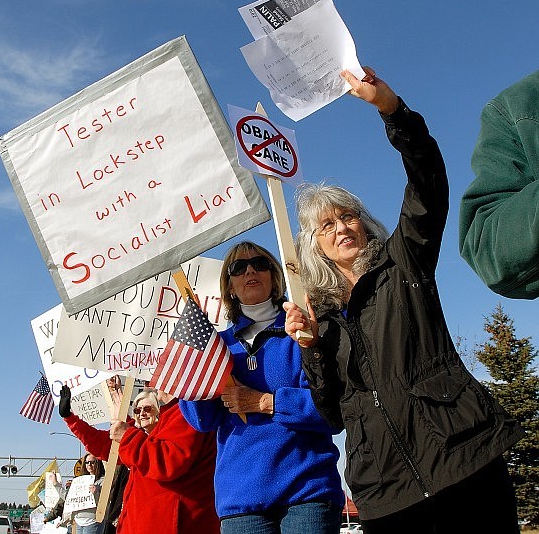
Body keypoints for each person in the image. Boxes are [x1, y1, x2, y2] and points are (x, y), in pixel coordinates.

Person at [284, 67, 524, 533]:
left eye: (348, 216)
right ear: (315, 245)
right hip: (385, 489)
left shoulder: (403, 262)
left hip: (462, 458)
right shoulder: (319, 317)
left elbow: (428, 182)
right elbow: (332, 413)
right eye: (327, 226)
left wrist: (391, 110)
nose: (342, 228)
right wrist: (311, 349)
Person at [179, 241, 345, 534]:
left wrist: (265, 402)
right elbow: (201, 421)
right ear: (229, 285)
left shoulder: (304, 332)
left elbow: (330, 410)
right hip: (242, 501)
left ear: (274, 276)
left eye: (260, 263)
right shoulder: (217, 346)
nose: (251, 271)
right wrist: (196, 359)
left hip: (308, 491)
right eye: (239, 268)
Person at [58, 382, 219, 534]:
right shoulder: (143, 438)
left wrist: (127, 435)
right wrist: (71, 419)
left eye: (147, 408)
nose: (141, 413)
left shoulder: (185, 414)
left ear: (158, 411)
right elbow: (105, 445)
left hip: (173, 524)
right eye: (137, 410)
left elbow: (167, 461)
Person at [459, 69, 539, 299]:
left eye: (349, 217)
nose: (345, 228)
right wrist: (393, 113)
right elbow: (487, 252)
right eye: (344, 216)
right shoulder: (518, 105)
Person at [68, 453, 104, 534]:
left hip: (92, 521)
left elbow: (105, 503)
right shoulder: (80, 481)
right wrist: (56, 484)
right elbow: (68, 498)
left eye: (92, 462)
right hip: (79, 522)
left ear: (98, 463)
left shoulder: (103, 481)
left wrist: (96, 492)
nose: (89, 465)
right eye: (87, 462)